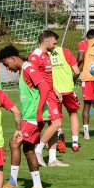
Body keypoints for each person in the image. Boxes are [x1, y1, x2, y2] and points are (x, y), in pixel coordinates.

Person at [0, 45, 47, 188]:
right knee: (28, 149)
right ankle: (37, 186)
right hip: (30, 116)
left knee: (14, 143)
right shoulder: (22, 71)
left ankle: (12, 182)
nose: (7, 68)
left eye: (6, 64)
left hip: (33, 116)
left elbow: (44, 87)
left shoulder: (28, 69)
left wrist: (38, 111)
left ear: (13, 58)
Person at [28, 30, 68, 167]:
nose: (55, 46)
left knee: (54, 125)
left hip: (51, 93)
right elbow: (30, 77)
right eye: (54, 43)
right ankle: (38, 151)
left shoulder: (46, 55)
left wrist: (55, 90)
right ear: (46, 41)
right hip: (44, 95)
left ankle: (52, 159)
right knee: (57, 123)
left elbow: (47, 77)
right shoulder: (35, 56)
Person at [49, 46, 82, 152]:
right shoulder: (65, 51)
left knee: (55, 118)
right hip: (68, 90)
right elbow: (77, 71)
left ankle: (59, 133)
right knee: (73, 113)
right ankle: (75, 143)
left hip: (54, 91)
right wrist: (72, 81)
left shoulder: (45, 54)